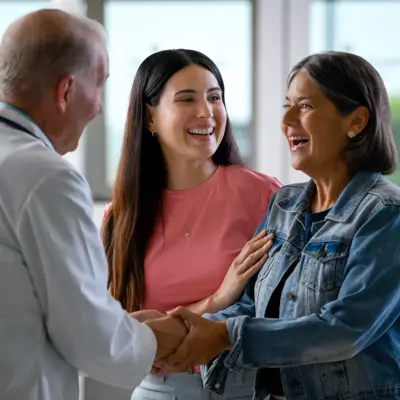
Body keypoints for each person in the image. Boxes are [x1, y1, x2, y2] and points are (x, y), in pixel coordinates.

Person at [159, 51, 400, 400]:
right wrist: (182, 328)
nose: (286, 119)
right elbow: (251, 304)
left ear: (357, 121)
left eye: (304, 106)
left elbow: (346, 330)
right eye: (286, 105)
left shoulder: (385, 213)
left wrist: (226, 335)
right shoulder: (285, 204)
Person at [0, 9, 186, 400]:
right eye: (98, 87)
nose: (100, 107)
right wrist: (154, 338)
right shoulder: (46, 177)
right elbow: (86, 334)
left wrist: (121, 325)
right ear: (66, 91)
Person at [101, 48, 281, 399]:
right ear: (149, 117)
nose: (206, 112)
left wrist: (167, 328)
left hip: (246, 389)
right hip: (157, 390)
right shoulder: (120, 217)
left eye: (215, 97)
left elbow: (284, 311)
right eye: (186, 99)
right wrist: (216, 299)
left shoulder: (265, 195)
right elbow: (116, 334)